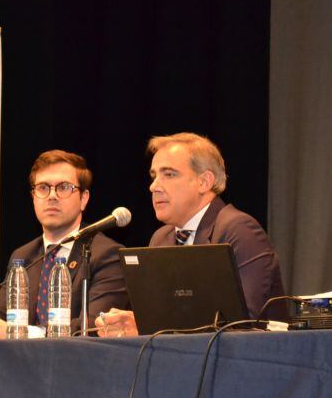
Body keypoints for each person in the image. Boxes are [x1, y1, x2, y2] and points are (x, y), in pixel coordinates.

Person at [96, 133, 286, 337]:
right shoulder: (161, 238)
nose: (154, 186)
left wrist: (144, 325)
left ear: (204, 182)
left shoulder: (239, 229)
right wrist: (134, 321)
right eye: (154, 176)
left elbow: (240, 320)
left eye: (169, 174)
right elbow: (163, 312)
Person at [0, 150, 128, 339]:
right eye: (43, 188)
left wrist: (21, 333)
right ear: (33, 196)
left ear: (84, 199)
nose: (51, 196)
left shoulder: (108, 254)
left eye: (63, 187)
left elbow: (95, 326)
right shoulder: (23, 255)